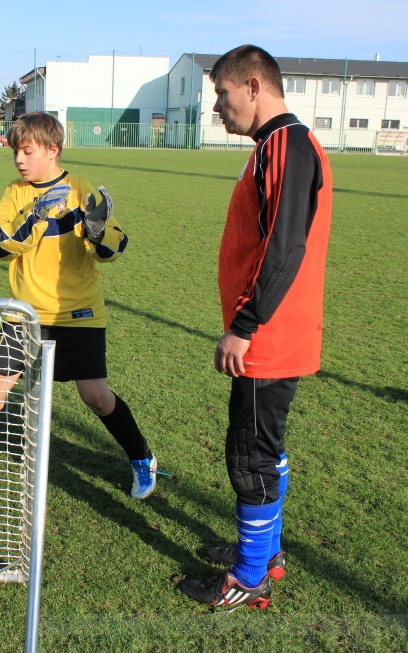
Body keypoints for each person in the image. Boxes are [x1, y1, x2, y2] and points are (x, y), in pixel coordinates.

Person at [178, 45, 333, 611]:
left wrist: (245, 325)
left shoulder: (287, 145)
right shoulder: (274, 144)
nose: (218, 106)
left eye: (221, 93)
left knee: (250, 455)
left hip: (267, 336)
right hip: (273, 331)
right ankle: (266, 553)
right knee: (264, 446)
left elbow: (285, 247)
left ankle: (249, 577)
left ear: (252, 87)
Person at [0, 112, 156, 500]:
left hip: (79, 312)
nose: (19, 160)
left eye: (28, 151)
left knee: (97, 397)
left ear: (53, 150)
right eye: (15, 152)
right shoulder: (15, 192)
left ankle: (142, 456)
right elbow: (1, 246)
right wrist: (35, 216)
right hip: (25, 313)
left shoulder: (79, 188)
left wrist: (97, 229)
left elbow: (112, 249)